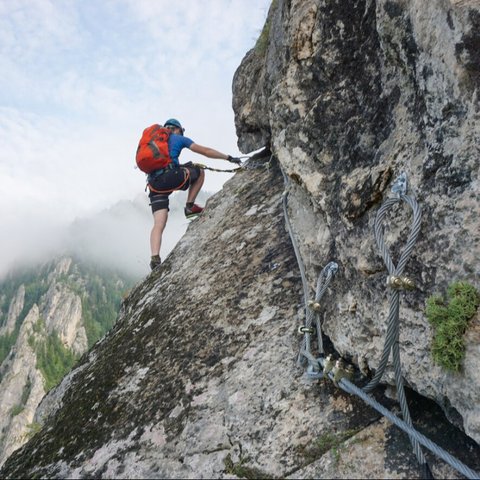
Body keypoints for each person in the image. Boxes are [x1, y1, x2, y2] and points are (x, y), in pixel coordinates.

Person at [147, 118, 241, 271]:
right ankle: (190, 206)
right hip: (170, 177)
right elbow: (205, 151)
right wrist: (228, 158)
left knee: (158, 224)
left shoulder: (154, 142)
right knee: (199, 170)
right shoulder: (178, 138)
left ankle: (155, 258)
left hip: (154, 184)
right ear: (178, 129)